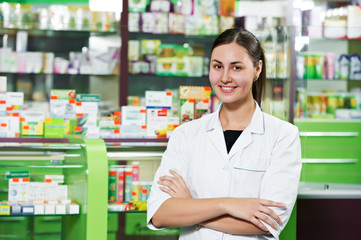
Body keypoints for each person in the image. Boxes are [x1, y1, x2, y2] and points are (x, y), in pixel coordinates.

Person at [147, 28, 302, 239]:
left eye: (236, 67)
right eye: (217, 66)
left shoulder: (282, 136)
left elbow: (268, 221)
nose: (225, 77)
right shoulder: (185, 135)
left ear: (257, 69)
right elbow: (159, 214)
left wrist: (191, 207)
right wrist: (228, 205)